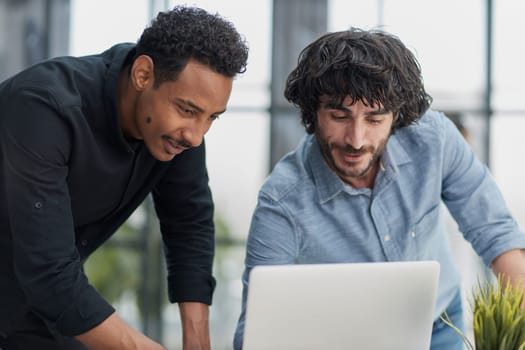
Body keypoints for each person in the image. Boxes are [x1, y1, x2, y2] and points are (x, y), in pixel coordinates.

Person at [233, 28, 525, 350]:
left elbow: (495, 231)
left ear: (396, 116)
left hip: (440, 325)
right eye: (339, 115)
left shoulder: (435, 140)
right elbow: (255, 331)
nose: (356, 140)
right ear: (312, 113)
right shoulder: (281, 202)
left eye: (374, 119)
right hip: (348, 341)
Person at [0, 5, 248, 350]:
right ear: (143, 74)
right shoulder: (43, 107)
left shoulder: (177, 133)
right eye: (188, 110)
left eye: (212, 118)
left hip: (37, 309)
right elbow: (49, 272)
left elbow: (188, 222)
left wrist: (197, 341)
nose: (196, 135)